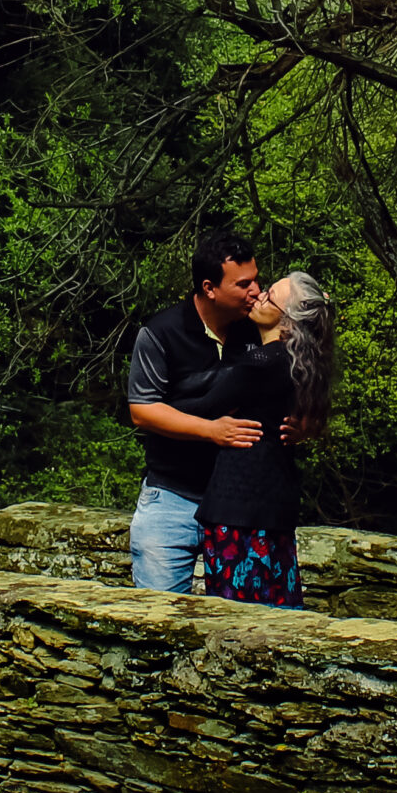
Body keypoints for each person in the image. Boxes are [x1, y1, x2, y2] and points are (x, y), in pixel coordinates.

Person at [125, 228, 267, 591]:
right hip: (171, 497)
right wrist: (211, 429)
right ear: (209, 288)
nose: (255, 291)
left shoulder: (256, 335)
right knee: (159, 621)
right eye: (243, 284)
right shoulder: (161, 334)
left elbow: (279, 382)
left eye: (257, 280)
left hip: (239, 502)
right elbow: (142, 409)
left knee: (242, 627)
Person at [189, 272, 337, 606]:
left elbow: (203, 406)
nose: (258, 297)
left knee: (235, 618)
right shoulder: (303, 366)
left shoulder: (261, 364)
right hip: (276, 505)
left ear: (287, 320)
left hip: (238, 505)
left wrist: (153, 404)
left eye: (269, 297)